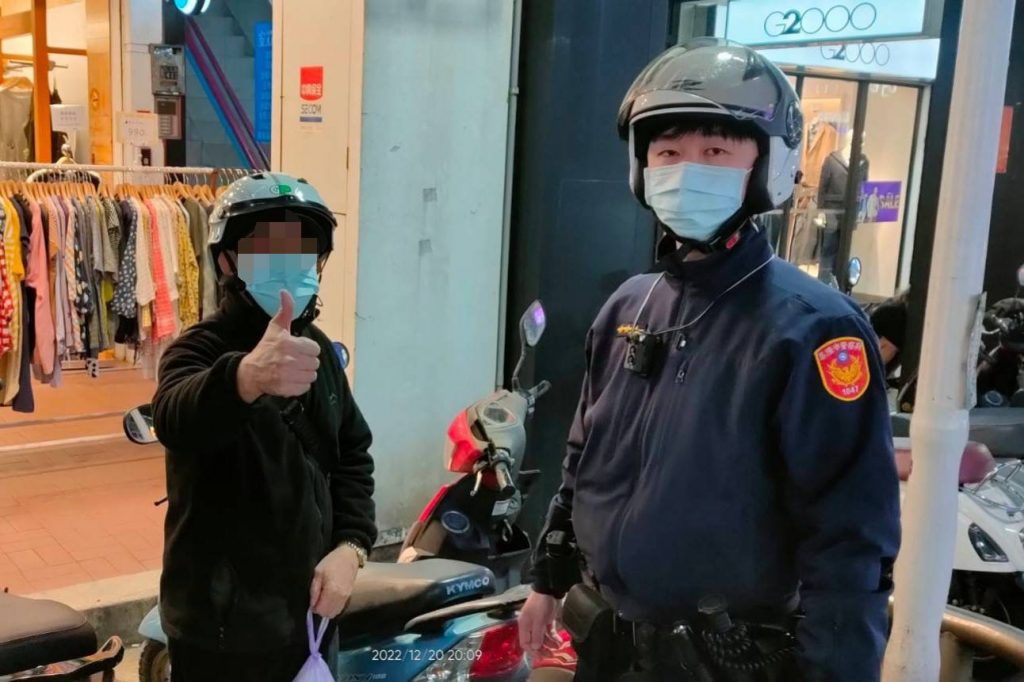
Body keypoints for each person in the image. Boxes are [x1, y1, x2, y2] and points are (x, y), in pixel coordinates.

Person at [518, 39, 900, 681]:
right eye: (668, 152)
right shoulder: (628, 306)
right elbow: (583, 456)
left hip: (728, 660)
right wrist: (548, 578)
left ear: (767, 166)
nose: (687, 169)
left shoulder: (814, 328)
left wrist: (838, 669)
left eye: (716, 151)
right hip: (610, 648)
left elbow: (850, 531)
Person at [152, 173, 377, 682]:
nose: (287, 261)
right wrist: (245, 378)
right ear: (227, 260)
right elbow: (174, 417)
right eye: (266, 246)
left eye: (301, 248)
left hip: (312, 618)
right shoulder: (197, 349)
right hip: (222, 634)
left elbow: (351, 455)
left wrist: (352, 547)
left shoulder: (318, 351)